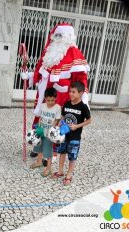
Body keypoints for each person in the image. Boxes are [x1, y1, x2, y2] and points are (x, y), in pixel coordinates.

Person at [30, 23, 90, 159]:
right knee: (41, 119)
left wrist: (81, 95)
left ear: (69, 36)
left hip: (62, 96)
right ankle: (37, 146)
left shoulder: (74, 52)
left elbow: (81, 78)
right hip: (46, 95)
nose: (57, 38)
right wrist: (30, 76)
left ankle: (54, 148)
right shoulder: (49, 50)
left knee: (56, 121)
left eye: (60, 35)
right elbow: (40, 68)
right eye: (56, 35)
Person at [52, 81, 92, 186]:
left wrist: (76, 126)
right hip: (64, 134)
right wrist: (60, 122)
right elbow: (63, 116)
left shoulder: (83, 107)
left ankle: (69, 175)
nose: (70, 94)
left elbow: (89, 120)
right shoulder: (67, 103)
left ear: (81, 93)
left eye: (73, 92)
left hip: (75, 136)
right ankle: (60, 171)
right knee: (62, 152)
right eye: (70, 91)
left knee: (72, 156)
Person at [29, 88, 61, 177]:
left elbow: (57, 120)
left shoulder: (57, 108)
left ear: (56, 98)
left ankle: (48, 168)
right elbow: (40, 118)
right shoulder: (43, 106)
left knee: (48, 151)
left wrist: (52, 129)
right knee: (39, 147)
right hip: (41, 131)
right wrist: (39, 126)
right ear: (45, 99)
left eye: (52, 100)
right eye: (48, 100)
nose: (50, 102)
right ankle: (39, 162)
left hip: (49, 134)